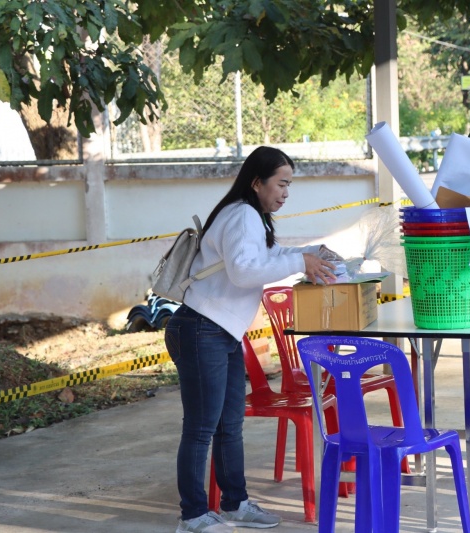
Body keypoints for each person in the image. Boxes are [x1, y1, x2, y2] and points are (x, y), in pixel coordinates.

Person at [165, 146, 341, 532]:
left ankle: (235, 504)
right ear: (257, 182)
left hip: (219, 331)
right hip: (202, 329)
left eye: (289, 185)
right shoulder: (242, 214)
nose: (286, 193)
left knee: (229, 424)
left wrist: (311, 253)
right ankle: (192, 516)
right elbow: (245, 272)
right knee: (201, 427)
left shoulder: (250, 216)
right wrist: (301, 262)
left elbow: (269, 256)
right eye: (281, 183)